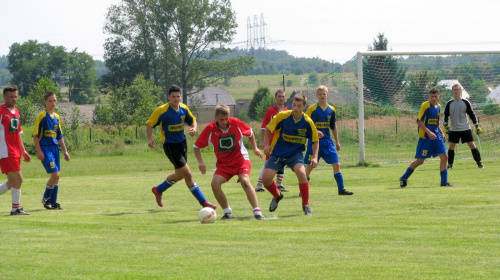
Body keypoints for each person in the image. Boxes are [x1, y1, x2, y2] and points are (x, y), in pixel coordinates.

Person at [146, 85, 216, 210]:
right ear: (168, 97)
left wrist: (194, 127)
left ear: (181, 96)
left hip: (182, 144)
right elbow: (150, 124)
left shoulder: (184, 108)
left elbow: (192, 119)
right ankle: (204, 202)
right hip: (170, 145)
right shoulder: (161, 111)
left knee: (180, 175)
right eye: (173, 96)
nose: (176, 99)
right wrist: (150, 139)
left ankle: (158, 189)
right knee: (188, 174)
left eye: (178, 96)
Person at [193, 105, 265, 220]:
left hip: (241, 160)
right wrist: (200, 162)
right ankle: (228, 213)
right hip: (224, 164)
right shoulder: (210, 129)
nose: (224, 122)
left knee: (245, 181)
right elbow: (196, 146)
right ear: (215, 117)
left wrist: (255, 148)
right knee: (215, 184)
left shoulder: (235, 123)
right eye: (221, 119)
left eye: (226, 119)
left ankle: (257, 212)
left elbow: (250, 133)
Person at [261, 94, 319, 216]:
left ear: (304, 106)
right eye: (294, 105)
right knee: (265, 179)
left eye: (298, 106)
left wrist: (315, 156)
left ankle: (306, 204)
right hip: (278, 153)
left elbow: (315, 140)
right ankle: (277, 195)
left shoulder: (308, 122)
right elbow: (268, 129)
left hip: (295, 154)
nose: (295, 108)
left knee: (302, 172)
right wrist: (267, 144)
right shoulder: (282, 116)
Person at [305, 86, 353, 195]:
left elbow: (333, 126)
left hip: (327, 141)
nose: (322, 95)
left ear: (328, 94)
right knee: (311, 166)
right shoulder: (311, 109)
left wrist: (337, 141)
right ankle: (303, 189)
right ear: (317, 95)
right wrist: (315, 132)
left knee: (336, 164)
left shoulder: (332, 110)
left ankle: (341, 189)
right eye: (320, 94)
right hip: (314, 142)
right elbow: (305, 124)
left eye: (324, 93)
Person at [399, 88, 451, 188]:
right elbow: (419, 121)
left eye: (436, 96)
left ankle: (444, 182)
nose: (434, 98)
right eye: (432, 96)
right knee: (420, 161)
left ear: (439, 97)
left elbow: (436, 123)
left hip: (436, 137)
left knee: (444, 157)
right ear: (429, 97)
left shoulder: (438, 107)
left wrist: (442, 133)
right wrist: (429, 132)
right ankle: (403, 177)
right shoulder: (425, 105)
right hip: (426, 137)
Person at [33, 92, 70, 210]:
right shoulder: (41, 116)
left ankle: (53, 203)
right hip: (45, 147)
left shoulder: (57, 117)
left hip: (54, 148)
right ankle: (46, 198)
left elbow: (59, 136)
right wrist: (39, 151)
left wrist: (65, 151)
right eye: (50, 101)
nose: (53, 103)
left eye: (54, 100)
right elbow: (35, 135)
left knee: (57, 177)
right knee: (55, 174)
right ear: (45, 102)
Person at [0, 85, 31, 215]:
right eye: (11, 97)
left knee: (12, 182)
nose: (14, 99)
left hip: (15, 150)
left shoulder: (16, 111)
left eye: (16, 96)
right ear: (4, 97)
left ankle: (16, 208)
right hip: (5, 150)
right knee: (19, 179)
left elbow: (18, 133)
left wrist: (23, 151)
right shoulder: (1, 111)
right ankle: (15, 209)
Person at [443, 84, 483, 169]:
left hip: (465, 128)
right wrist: (445, 125)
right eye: (454, 90)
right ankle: (450, 165)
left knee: (472, 145)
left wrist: (476, 125)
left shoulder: (465, 102)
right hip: (454, 129)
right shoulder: (449, 103)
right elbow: (445, 116)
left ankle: (479, 163)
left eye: (457, 89)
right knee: (451, 147)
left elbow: (471, 114)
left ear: (460, 91)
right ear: (452, 91)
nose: (456, 91)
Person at [255, 89, 288, 193]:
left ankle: (279, 184)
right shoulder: (271, 110)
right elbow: (264, 126)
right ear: (275, 98)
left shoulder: (286, 110)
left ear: (285, 98)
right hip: (273, 141)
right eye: (279, 96)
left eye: (283, 96)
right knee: (268, 163)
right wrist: (263, 141)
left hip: (283, 141)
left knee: (284, 162)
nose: (281, 98)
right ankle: (259, 185)